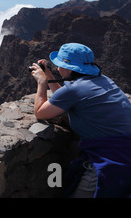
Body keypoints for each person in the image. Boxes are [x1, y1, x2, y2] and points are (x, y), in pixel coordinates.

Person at [30, 43, 131, 198]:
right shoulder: (103, 80)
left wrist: (42, 82)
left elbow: (40, 113)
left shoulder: (75, 89)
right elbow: (63, 99)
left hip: (110, 160)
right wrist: (49, 75)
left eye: (60, 65)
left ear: (70, 68)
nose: (58, 69)